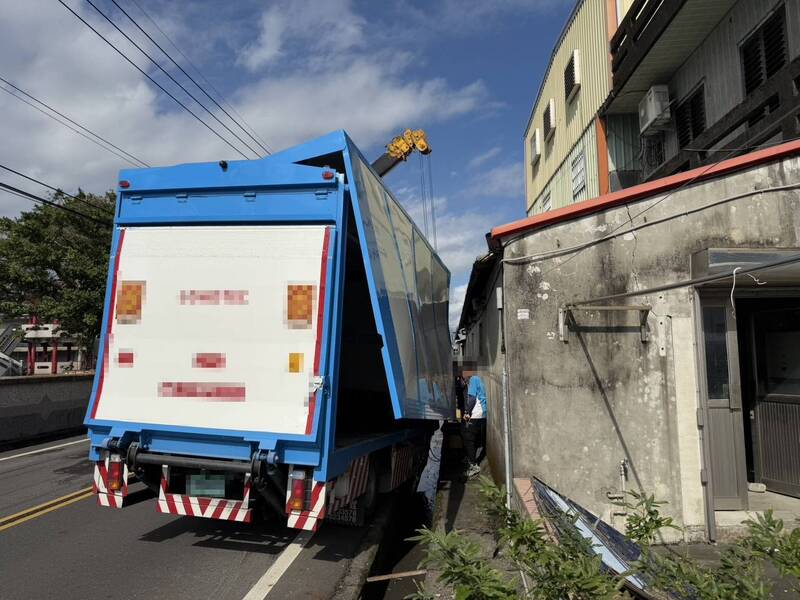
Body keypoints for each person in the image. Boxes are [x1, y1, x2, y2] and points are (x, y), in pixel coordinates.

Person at [461, 367, 486, 478]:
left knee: (468, 437)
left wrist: (467, 412)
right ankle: (471, 458)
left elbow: (471, 398)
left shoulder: (473, 380)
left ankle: (473, 465)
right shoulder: (477, 379)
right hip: (481, 413)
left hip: (476, 413)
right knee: (472, 436)